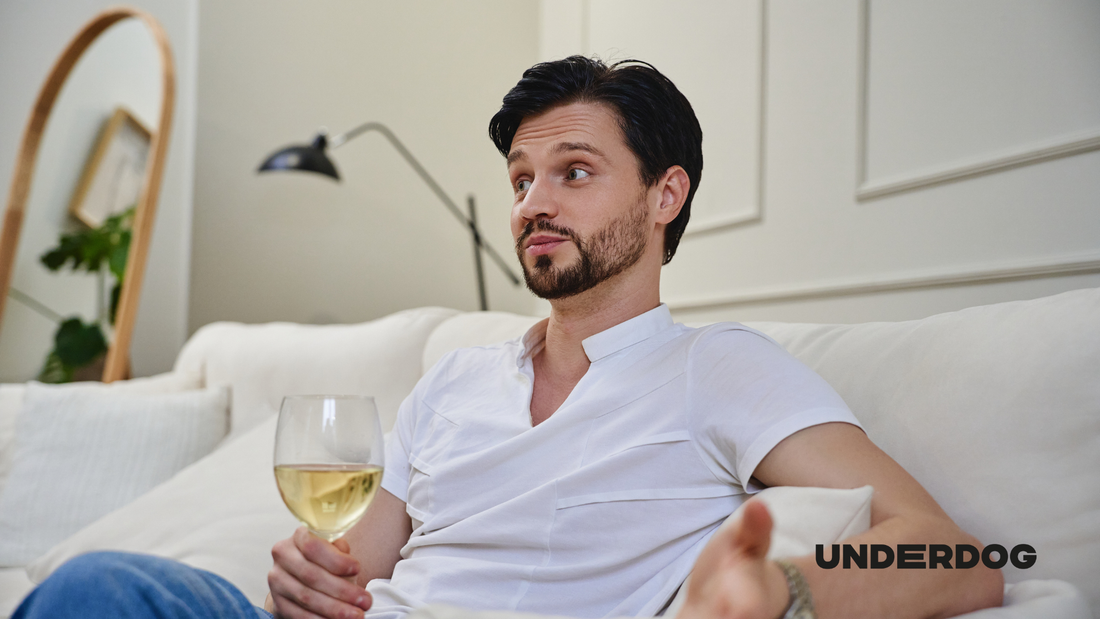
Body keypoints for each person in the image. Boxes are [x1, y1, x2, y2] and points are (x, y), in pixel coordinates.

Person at [14, 56, 1003, 619]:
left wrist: (779, 588)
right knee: (97, 586)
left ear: (666, 195)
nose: (532, 201)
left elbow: (959, 554)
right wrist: (312, 578)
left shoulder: (720, 369)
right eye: (522, 178)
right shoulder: (454, 379)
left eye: (573, 171)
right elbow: (358, 563)